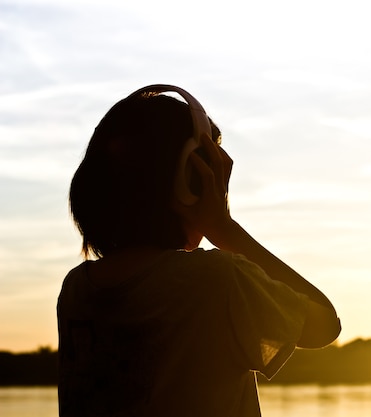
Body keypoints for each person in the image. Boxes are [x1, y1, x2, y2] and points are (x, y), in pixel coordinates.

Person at [57, 85, 341, 416]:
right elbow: (323, 325)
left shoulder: (77, 289)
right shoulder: (216, 281)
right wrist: (224, 228)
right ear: (190, 181)